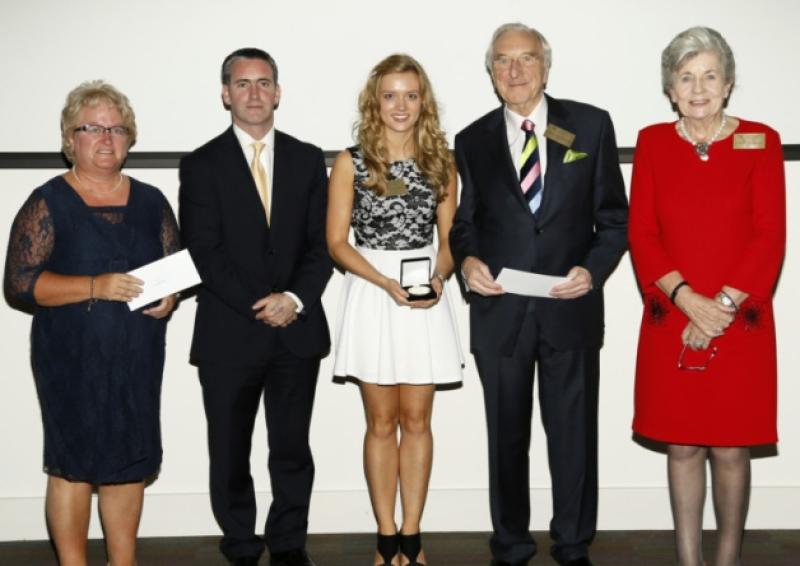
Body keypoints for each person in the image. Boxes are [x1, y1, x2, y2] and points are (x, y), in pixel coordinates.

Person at [450, 23, 629, 566]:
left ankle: (573, 543)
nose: (515, 71)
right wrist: (468, 261)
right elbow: (465, 224)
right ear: (491, 73)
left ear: (545, 67)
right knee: (506, 441)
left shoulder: (590, 126)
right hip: (500, 311)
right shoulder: (472, 139)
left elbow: (614, 221)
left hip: (570, 310)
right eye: (503, 61)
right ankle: (510, 543)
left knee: (573, 439)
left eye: (526, 59)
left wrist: (592, 271)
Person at [4, 80, 179, 566]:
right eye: (92, 128)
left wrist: (168, 300)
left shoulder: (152, 201)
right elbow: (19, 283)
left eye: (117, 128)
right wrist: (93, 286)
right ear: (69, 138)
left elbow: (172, 271)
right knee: (73, 466)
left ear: (131, 138)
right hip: (70, 360)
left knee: (129, 463)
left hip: (137, 357)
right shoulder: (48, 201)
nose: (106, 138)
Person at [628, 26, 785, 566]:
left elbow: (770, 236)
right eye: (686, 76)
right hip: (671, 313)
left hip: (739, 318)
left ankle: (727, 561)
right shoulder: (651, 142)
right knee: (683, 445)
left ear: (729, 83)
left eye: (709, 76)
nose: (698, 88)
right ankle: (689, 561)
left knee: (730, 447)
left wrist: (717, 306)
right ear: (670, 87)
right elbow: (641, 234)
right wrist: (687, 298)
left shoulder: (761, 141)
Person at [179, 48, 331, 566]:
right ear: (225, 93)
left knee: (291, 448)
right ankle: (241, 544)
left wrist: (292, 299)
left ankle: (289, 542)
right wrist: (257, 304)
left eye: (264, 82)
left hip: (296, 330)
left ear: (278, 92)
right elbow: (204, 250)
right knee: (230, 451)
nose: (253, 93)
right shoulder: (200, 164)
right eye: (242, 83)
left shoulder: (309, 159)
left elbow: (322, 244)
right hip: (229, 333)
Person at [327, 53, 463, 566]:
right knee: (381, 422)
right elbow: (337, 243)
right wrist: (383, 281)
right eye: (390, 95)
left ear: (422, 100)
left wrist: (438, 275)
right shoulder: (352, 160)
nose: (400, 105)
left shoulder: (442, 161)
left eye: (410, 94)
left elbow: (450, 240)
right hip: (372, 290)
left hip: (424, 291)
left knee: (419, 420)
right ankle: (385, 537)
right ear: (374, 102)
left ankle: (413, 534)